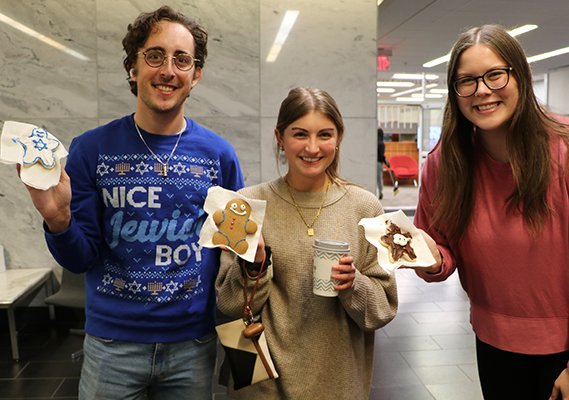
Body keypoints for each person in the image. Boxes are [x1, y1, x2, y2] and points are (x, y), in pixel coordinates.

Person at [20, 6, 244, 399]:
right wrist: (58, 220)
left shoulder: (218, 156)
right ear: (132, 67)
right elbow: (79, 259)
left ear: (196, 74)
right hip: (112, 347)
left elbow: (233, 258)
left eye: (182, 59)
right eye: (154, 55)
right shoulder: (92, 149)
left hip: (192, 346)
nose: (168, 70)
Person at [411, 25, 569, 400]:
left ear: (521, 76)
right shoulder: (445, 162)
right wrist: (429, 258)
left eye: (495, 75)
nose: (482, 90)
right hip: (496, 344)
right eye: (466, 81)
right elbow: (439, 246)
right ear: (455, 93)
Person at [215, 87, 398, 399]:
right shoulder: (245, 204)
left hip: (336, 382)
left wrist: (353, 284)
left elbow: (382, 310)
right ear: (280, 137)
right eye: (299, 134)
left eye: (324, 135)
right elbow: (228, 305)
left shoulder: (366, 208)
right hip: (260, 382)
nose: (312, 148)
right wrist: (253, 266)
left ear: (339, 137)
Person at [377, 127, 389, 199]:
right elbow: (382, 155)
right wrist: (386, 163)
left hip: (373, 163)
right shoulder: (381, 144)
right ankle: (380, 191)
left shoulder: (374, 143)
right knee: (379, 178)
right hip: (378, 163)